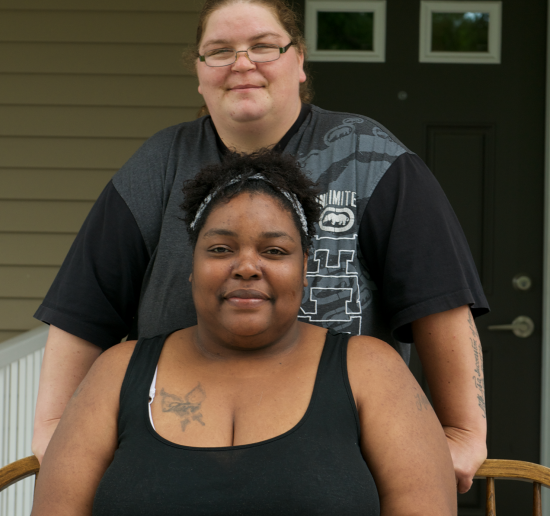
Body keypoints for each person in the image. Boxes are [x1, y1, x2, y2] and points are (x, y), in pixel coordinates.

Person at [32, 0, 489, 493]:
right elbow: (83, 307)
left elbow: (440, 300)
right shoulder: (158, 165)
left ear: (299, 63)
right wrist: (54, 429)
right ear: (200, 74)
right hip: (177, 453)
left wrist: (462, 431)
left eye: (264, 46)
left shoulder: (374, 160)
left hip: (342, 466)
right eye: (220, 51)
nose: (242, 63)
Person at [31, 152, 456, 516]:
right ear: (191, 267)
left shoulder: (371, 371)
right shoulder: (117, 374)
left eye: (274, 251)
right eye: (220, 249)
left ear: (305, 268)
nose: (247, 266)